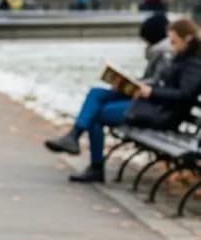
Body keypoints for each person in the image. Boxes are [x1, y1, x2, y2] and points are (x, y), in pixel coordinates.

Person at [44, 16, 201, 183]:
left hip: (162, 113)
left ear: (187, 39)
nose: (170, 45)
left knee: (97, 115)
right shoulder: (180, 57)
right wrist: (134, 85)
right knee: (96, 93)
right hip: (153, 105)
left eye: (174, 41)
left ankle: (94, 164)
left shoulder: (194, 63)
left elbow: (185, 95)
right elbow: (164, 83)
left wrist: (151, 92)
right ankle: (74, 137)